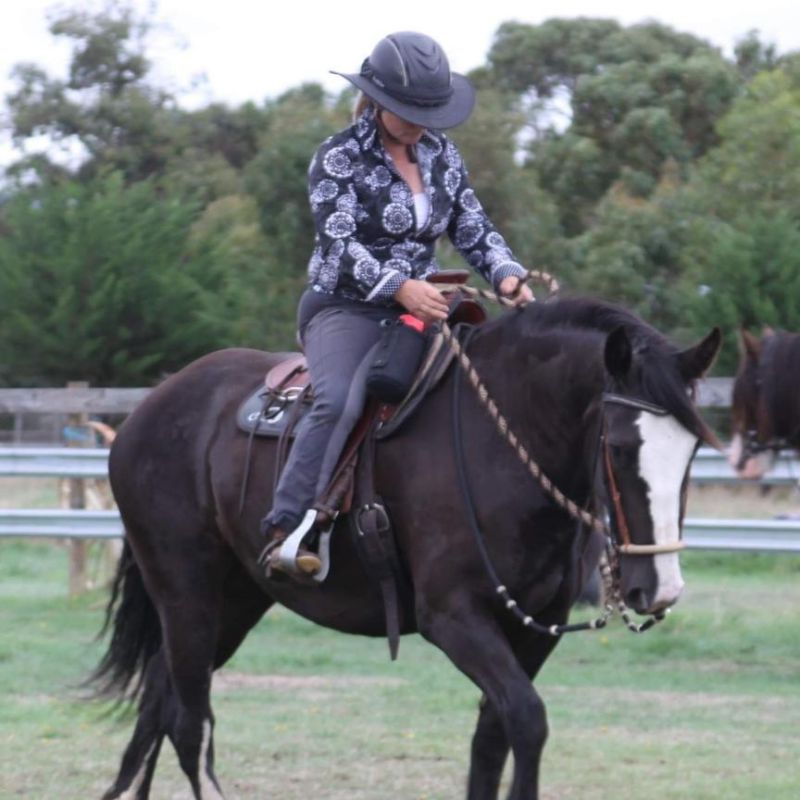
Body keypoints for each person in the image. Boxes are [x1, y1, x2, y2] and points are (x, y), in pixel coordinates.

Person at [260, 31, 534, 578]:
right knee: (338, 401)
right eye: (408, 111)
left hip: (424, 307)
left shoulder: (441, 153)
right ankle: (287, 528)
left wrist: (505, 274)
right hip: (345, 306)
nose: (419, 122)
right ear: (377, 100)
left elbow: (471, 225)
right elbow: (339, 245)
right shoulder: (337, 156)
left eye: (428, 111)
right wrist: (398, 286)